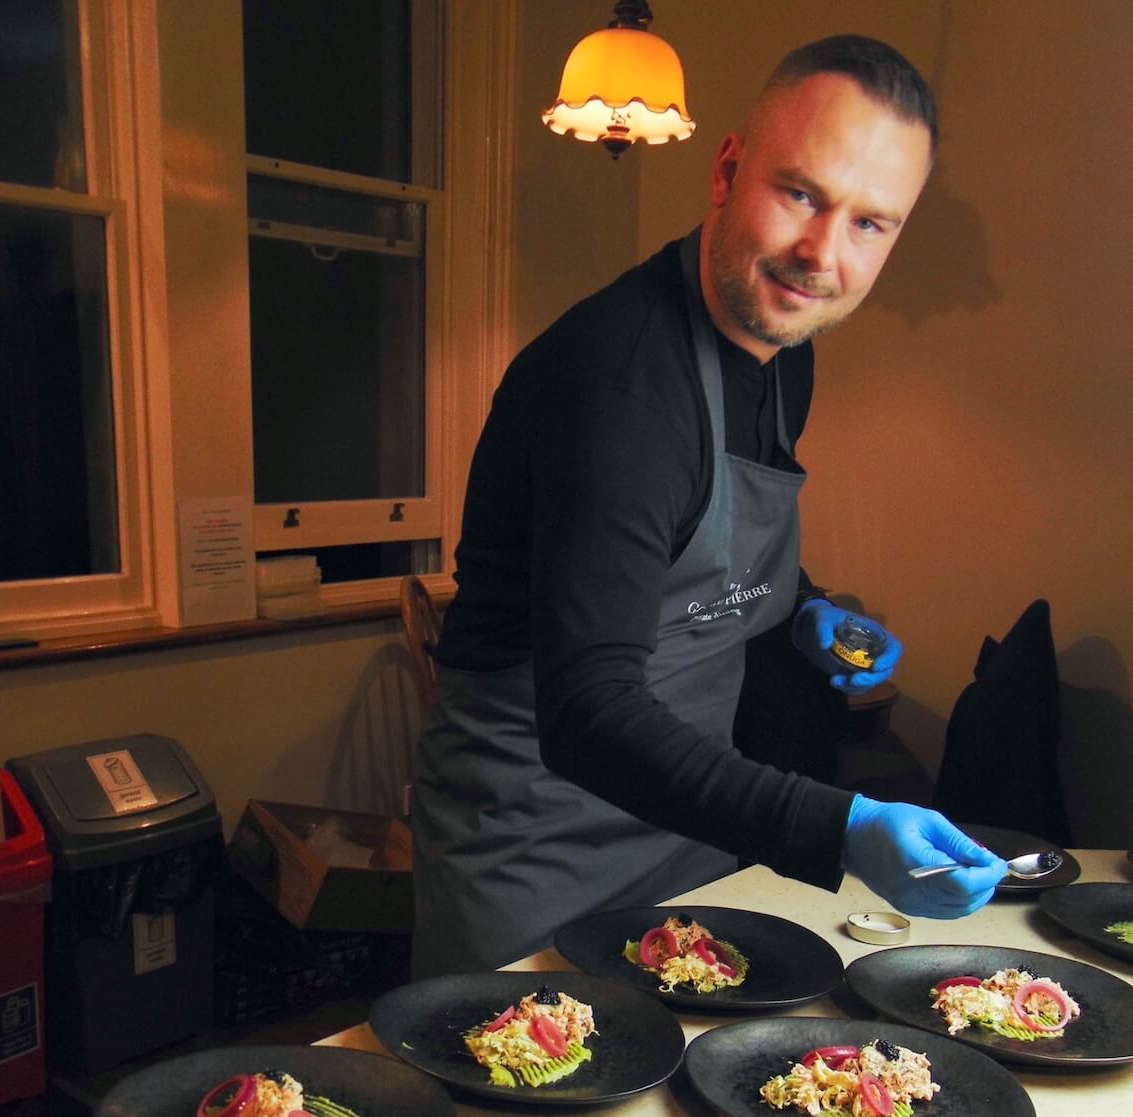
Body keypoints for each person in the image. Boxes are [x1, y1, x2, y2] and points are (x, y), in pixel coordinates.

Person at [409, 34, 1007, 978]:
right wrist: (841, 825)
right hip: (535, 846)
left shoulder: (785, 351)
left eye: (870, 224)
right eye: (802, 194)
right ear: (728, 169)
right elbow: (589, 713)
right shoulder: (620, 384)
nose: (821, 254)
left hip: (685, 829)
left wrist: (807, 611)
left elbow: (701, 546)